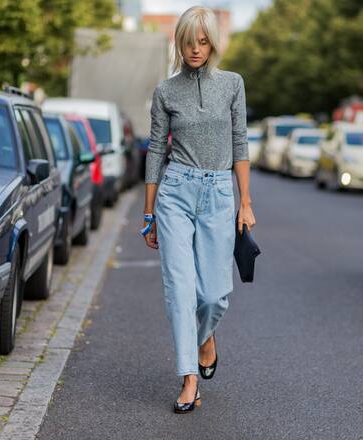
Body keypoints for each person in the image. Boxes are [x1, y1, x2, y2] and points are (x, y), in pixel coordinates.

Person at [141, 5, 256, 414]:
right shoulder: (166, 91)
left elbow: (240, 142)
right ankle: (189, 379)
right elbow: (156, 150)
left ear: (213, 44)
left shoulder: (232, 84)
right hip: (176, 191)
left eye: (203, 41)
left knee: (213, 295)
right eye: (189, 42)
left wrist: (245, 202)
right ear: (180, 43)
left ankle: (205, 338)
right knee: (180, 291)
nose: (196, 49)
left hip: (219, 194)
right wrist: (149, 212)